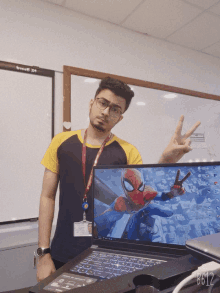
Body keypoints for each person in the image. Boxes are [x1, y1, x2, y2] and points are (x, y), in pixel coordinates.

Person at [36, 77, 201, 282]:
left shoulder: (128, 151)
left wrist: (165, 161)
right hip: (62, 251)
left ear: (120, 117)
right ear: (92, 103)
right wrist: (43, 253)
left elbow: (141, 193)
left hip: (109, 258)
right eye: (103, 103)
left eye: (115, 109)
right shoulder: (61, 142)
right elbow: (47, 196)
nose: (106, 112)